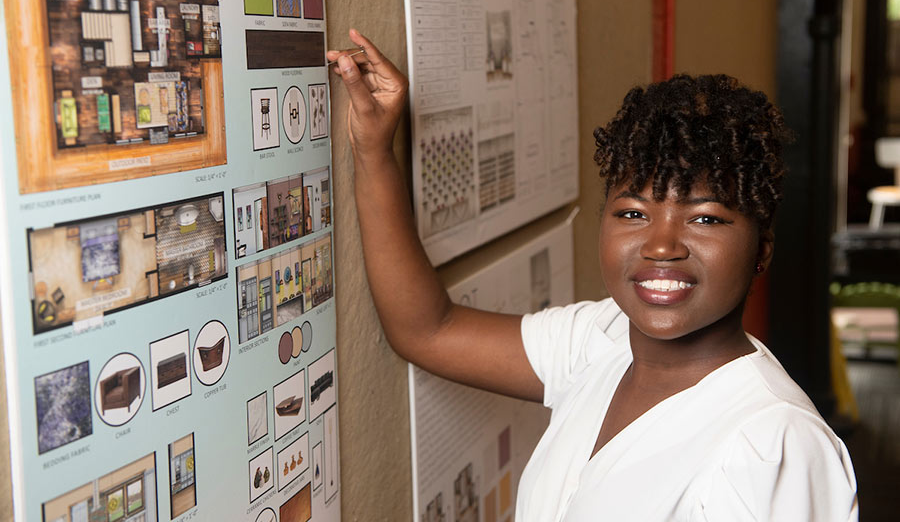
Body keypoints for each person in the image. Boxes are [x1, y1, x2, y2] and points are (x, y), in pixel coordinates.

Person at [327, 30, 858, 521]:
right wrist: (374, 152)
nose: (661, 245)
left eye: (706, 218)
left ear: (761, 250)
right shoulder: (601, 341)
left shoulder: (773, 445)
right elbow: (428, 330)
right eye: (632, 212)